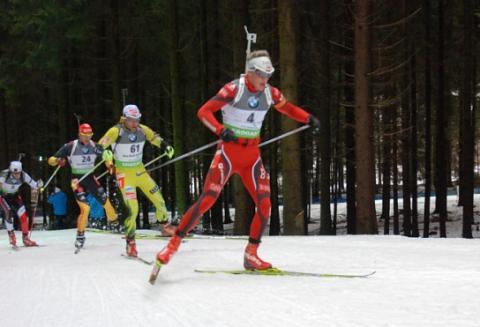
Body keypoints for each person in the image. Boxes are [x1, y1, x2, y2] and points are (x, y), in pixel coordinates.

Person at [155, 50, 320, 270]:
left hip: (252, 158)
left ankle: (251, 254)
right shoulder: (234, 89)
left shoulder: (270, 93)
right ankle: (172, 245)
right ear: (250, 72)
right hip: (228, 154)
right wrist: (221, 130)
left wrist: (307, 117)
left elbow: (288, 108)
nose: (265, 80)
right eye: (261, 74)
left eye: (268, 75)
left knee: (264, 204)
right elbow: (204, 112)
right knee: (207, 199)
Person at [98, 104, 175, 257]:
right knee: (132, 209)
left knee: (158, 198)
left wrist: (166, 146)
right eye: (132, 120)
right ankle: (130, 243)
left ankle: (164, 226)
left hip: (140, 172)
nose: (135, 123)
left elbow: (154, 138)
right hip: (124, 175)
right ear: (124, 119)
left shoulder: (142, 129)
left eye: (137, 119)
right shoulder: (116, 131)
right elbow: (100, 145)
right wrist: (106, 154)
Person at [48, 123, 117, 250]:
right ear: (79, 134)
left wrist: (109, 164)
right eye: (85, 136)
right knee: (85, 208)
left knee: (106, 203)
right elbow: (51, 159)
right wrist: (57, 161)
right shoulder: (70, 146)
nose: (87, 138)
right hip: (77, 180)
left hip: (90, 178)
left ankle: (115, 223)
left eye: (89, 136)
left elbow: (106, 156)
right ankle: (80, 236)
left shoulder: (95, 146)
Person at [0, 161, 41, 246]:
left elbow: (34, 184)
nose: (17, 175)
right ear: (11, 171)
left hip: (15, 196)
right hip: (3, 196)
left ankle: (25, 238)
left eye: (18, 173)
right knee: (8, 212)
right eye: (15, 173)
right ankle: (11, 235)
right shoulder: (5, 174)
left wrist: (38, 185)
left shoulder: (23, 175)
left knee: (23, 215)